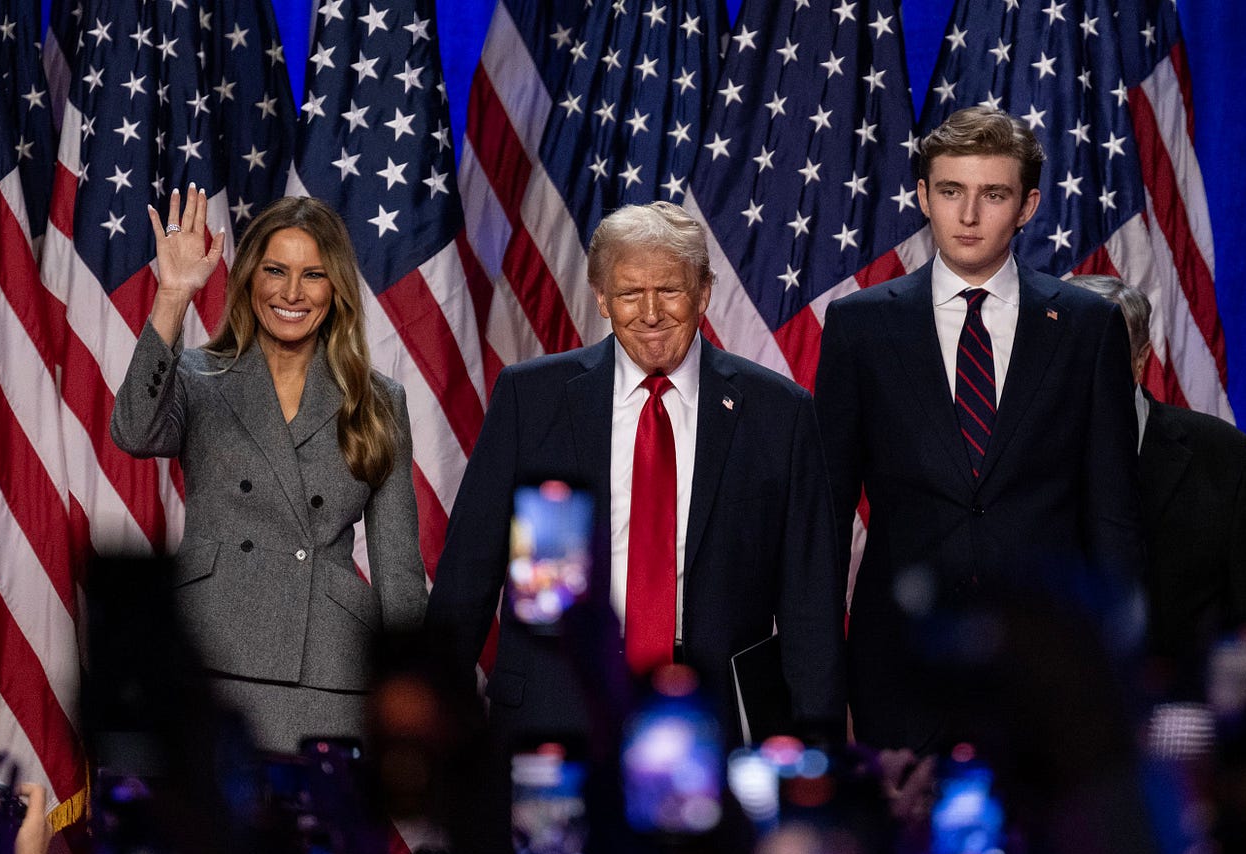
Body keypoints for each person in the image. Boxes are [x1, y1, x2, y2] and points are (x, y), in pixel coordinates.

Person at [426, 201, 845, 743]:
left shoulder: (778, 412)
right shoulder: (530, 400)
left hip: (711, 716)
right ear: (601, 298)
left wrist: (819, 754)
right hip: (556, 709)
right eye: (628, 293)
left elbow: (810, 603)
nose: (650, 312)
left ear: (703, 292)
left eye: (669, 289)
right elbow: (469, 573)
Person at [816, 106, 1143, 750]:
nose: (968, 216)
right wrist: (819, 673)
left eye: (992, 194)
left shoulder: (1085, 326)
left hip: (1047, 663)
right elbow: (825, 512)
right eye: (950, 192)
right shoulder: (859, 325)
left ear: (1026, 206)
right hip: (899, 661)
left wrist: (1117, 667)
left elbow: (1112, 516)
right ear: (922, 196)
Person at [110, 188, 427, 752]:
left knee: (316, 839)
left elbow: (399, 572)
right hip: (206, 651)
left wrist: (409, 691)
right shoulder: (198, 378)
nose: (290, 292)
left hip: (329, 669)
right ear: (249, 278)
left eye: (313, 275)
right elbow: (134, 431)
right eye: (275, 270)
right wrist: (174, 295)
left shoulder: (379, 401)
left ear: (336, 290)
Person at [1069, 274, 1246, 696]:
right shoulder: (1003, 454)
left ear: (1140, 359)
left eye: (1104, 349)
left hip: (1178, 729)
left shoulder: (1225, 458)